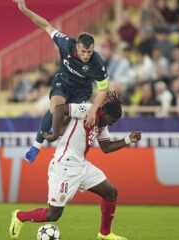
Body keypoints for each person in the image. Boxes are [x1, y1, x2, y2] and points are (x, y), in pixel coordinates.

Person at [9, 91, 142, 240]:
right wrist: (55, 134)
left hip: (81, 165)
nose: (110, 124)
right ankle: (20, 216)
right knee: (53, 215)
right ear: (103, 111)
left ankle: (105, 233)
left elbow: (106, 147)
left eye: (113, 122)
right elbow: (60, 109)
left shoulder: (102, 124)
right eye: (110, 120)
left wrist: (128, 140)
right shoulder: (87, 109)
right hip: (64, 165)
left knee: (111, 192)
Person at [13, 0, 110, 163]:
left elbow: (103, 90)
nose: (86, 55)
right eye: (83, 51)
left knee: (66, 121)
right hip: (63, 83)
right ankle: (36, 146)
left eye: (89, 52)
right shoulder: (65, 43)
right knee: (55, 106)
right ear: (77, 47)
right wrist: (24, 9)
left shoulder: (97, 63)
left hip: (81, 91)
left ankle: (64, 148)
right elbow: (45, 26)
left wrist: (94, 110)